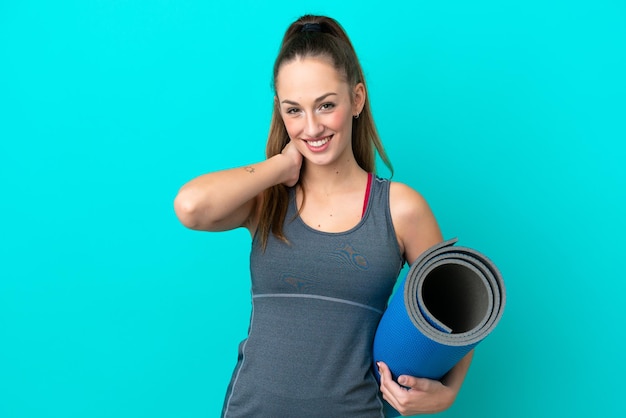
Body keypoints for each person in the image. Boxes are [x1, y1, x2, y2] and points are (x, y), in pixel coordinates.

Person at [174, 14, 473, 417]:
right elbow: (190, 207)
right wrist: (279, 167)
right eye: (293, 110)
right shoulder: (268, 199)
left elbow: (458, 308)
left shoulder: (399, 208)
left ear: (357, 99)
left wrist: (449, 391)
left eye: (326, 105)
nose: (311, 127)